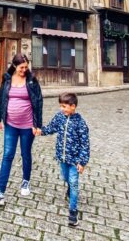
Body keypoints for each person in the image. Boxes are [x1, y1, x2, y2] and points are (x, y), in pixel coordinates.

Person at [0, 54, 43, 206]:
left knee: (25, 154)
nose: (24, 70)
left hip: (28, 126)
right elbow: (1, 99)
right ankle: (0, 192)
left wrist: (38, 125)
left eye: (26, 67)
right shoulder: (7, 79)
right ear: (14, 66)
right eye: (21, 67)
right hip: (10, 124)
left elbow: (38, 102)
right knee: (7, 155)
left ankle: (25, 181)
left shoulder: (32, 80)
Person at [34, 93, 90, 227]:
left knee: (74, 182)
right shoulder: (59, 117)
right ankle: (69, 188)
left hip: (75, 160)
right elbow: (51, 128)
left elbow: (85, 144)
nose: (62, 109)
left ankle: (73, 211)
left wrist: (82, 162)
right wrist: (41, 131)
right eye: (61, 106)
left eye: (64, 106)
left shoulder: (80, 123)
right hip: (62, 158)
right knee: (66, 178)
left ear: (73, 106)